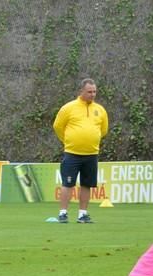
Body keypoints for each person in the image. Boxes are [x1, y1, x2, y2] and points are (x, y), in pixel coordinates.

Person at [53, 78, 108, 223]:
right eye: (89, 92)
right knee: (68, 183)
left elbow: (103, 130)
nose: (92, 94)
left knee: (87, 184)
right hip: (72, 153)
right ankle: (63, 213)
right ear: (81, 91)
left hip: (91, 154)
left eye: (94, 91)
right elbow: (58, 126)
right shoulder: (68, 108)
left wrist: (91, 139)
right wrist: (68, 141)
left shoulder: (100, 110)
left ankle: (82, 214)